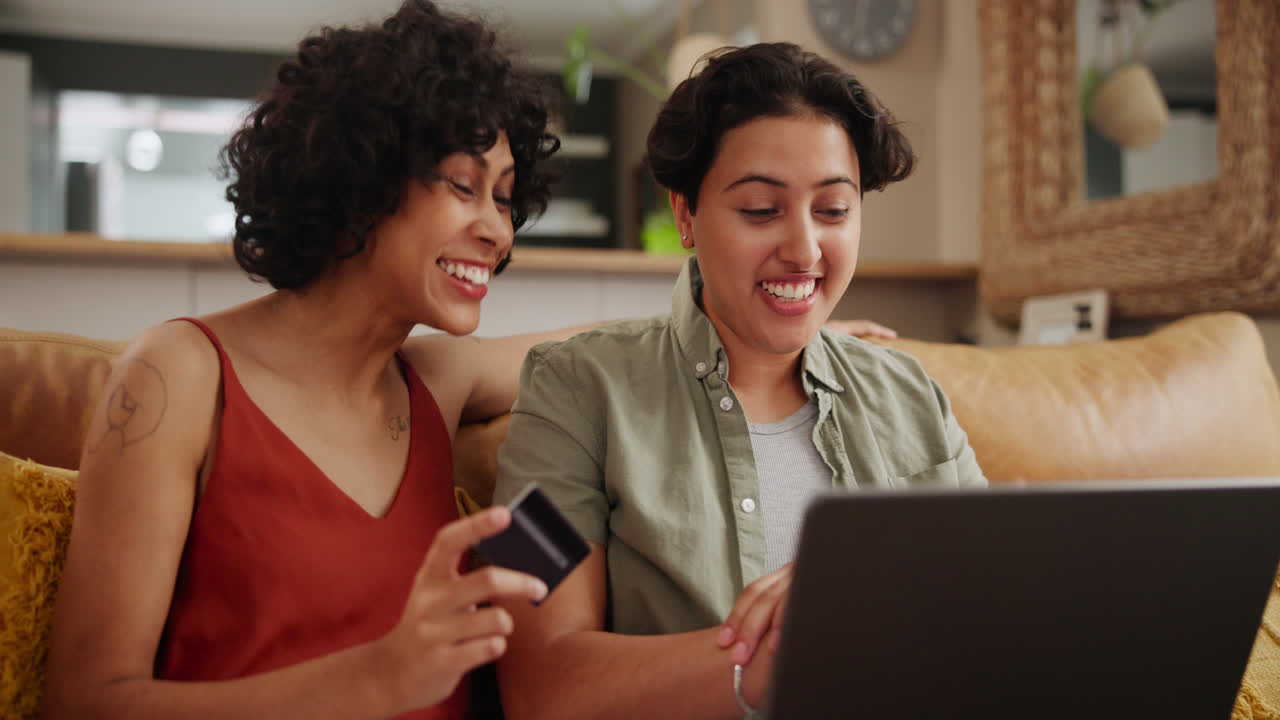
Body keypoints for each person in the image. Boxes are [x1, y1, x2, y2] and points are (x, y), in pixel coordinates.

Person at [42, 2, 564, 717]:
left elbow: (614, 351)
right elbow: (84, 702)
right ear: (362, 178)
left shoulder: (438, 382)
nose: (498, 231)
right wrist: (377, 681)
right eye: (465, 186)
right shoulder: (180, 374)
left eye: (505, 199)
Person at [492, 43, 987, 720]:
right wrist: (774, 649)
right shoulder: (570, 393)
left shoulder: (913, 398)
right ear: (687, 215)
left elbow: (992, 626)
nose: (805, 249)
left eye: (834, 211)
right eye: (760, 209)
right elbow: (538, 687)